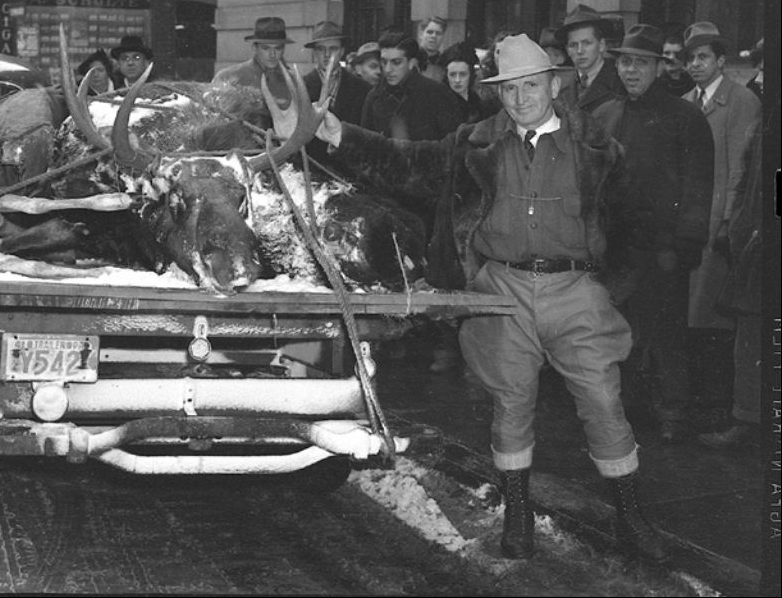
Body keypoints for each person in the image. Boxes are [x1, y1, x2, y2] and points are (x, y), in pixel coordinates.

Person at [266, 33, 669, 564]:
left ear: (554, 86)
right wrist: (334, 132)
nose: (521, 99)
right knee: (511, 404)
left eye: (531, 86)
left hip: (577, 291)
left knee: (603, 402)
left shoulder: (597, 149)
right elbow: (406, 162)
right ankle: (518, 515)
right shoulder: (474, 144)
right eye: (510, 89)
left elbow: (638, 223)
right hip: (501, 290)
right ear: (498, 93)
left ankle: (631, 518)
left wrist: (610, 289)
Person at [593, 25, 715, 444]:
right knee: (618, 333)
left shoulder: (685, 118)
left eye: (641, 63)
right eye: (625, 62)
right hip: (617, 250)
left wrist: (686, 244)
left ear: (659, 67)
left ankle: (672, 413)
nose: (631, 70)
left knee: (666, 335)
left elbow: (698, 186)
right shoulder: (606, 115)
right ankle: (626, 410)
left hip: (665, 251)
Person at [680, 21, 761, 402]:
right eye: (690, 58)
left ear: (721, 61)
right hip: (691, 223)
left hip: (719, 226)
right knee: (691, 314)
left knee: (715, 314)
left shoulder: (741, 101)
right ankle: (701, 395)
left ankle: (717, 398)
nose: (695, 64)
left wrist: (729, 223)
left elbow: (741, 170)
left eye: (703, 57)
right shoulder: (685, 101)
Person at [698, 126, 762, 451]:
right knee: (750, 341)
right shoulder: (769, 123)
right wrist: (740, 226)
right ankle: (748, 419)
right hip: (760, 247)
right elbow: (746, 179)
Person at [358, 33, 462, 141]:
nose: (388, 69)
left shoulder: (437, 93)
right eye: (384, 62)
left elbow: (453, 144)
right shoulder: (374, 97)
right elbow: (364, 143)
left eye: (396, 62)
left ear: (412, 63)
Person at [555, 4, 626, 112]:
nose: (580, 51)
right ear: (568, 50)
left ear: (601, 45)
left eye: (587, 43)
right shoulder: (560, 88)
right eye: (573, 45)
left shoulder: (621, 82)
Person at [212, 16, 294, 105]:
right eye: (265, 48)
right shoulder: (228, 77)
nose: (272, 54)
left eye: (278, 48)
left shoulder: (292, 81)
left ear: (283, 49)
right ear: (254, 48)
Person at [301, 21, 368, 125]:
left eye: (333, 49)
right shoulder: (301, 87)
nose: (327, 54)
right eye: (321, 49)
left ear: (342, 51)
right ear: (314, 53)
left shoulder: (361, 87)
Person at [656, 31, 695, 98]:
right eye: (667, 53)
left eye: (677, 54)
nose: (671, 58)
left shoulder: (693, 83)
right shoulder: (654, 84)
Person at [416, 16, 448, 82]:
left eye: (438, 33)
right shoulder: (410, 60)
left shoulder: (445, 63)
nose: (433, 36)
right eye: (430, 32)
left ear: (443, 37)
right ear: (421, 34)